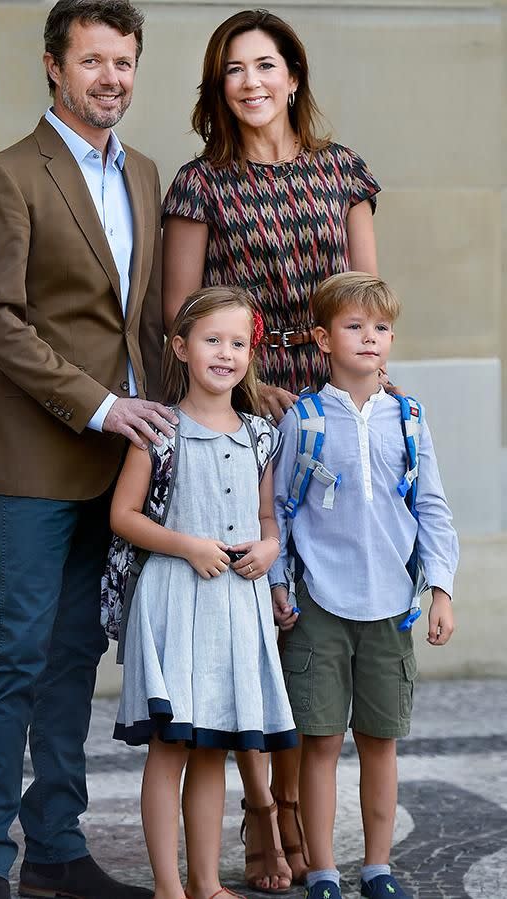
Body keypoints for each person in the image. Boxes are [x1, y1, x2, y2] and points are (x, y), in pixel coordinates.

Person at [0, 2, 177, 898]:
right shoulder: (4, 176)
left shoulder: (149, 174)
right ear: (54, 67)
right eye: (93, 61)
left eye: (123, 61)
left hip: (123, 463)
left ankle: (55, 845)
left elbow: (151, 319)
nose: (111, 78)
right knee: (16, 651)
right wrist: (98, 406)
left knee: (77, 655)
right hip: (39, 455)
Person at [161, 8, 380, 892]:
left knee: (310, 619)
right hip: (238, 412)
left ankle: (295, 811)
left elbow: (369, 301)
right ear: (219, 90)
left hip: (327, 412)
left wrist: (361, 405)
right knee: (253, 610)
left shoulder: (344, 173)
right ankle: (261, 810)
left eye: (265, 65)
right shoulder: (198, 184)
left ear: (293, 76)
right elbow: (178, 320)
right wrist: (244, 398)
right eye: (232, 70)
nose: (251, 82)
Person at [270, 272, 458, 899]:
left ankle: (377, 867)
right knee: (319, 742)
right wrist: (279, 583)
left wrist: (442, 589)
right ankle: (323, 871)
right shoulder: (303, 418)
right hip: (320, 603)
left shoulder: (408, 418)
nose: (370, 338)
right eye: (354, 327)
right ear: (323, 339)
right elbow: (279, 509)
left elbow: (431, 506)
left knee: (381, 742)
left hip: (391, 608)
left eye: (380, 328)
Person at [110, 286, 298, 899]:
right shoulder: (158, 431)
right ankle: (169, 887)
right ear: (181, 347)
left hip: (234, 608)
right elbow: (124, 516)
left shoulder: (261, 435)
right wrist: (187, 545)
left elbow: (269, 521)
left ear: (252, 352)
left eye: (238, 343)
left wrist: (269, 552)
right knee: (171, 748)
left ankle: (207, 883)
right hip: (173, 601)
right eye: (212, 340)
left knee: (215, 746)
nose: (226, 353)